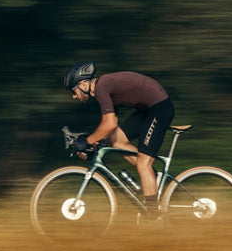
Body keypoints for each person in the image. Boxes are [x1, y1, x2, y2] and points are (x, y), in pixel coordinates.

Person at [64, 61, 174, 213]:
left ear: (83, 85)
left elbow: (108, 124)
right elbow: (111, 125)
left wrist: (87, 142)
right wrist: (92, 145)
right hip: (148, 109)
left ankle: (153, 216)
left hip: (159, 108)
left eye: (73, 91)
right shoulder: (103, 88)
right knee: (116, 140)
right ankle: (154, 176)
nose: (74, 96)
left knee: (143, 164)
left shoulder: (102, 87)